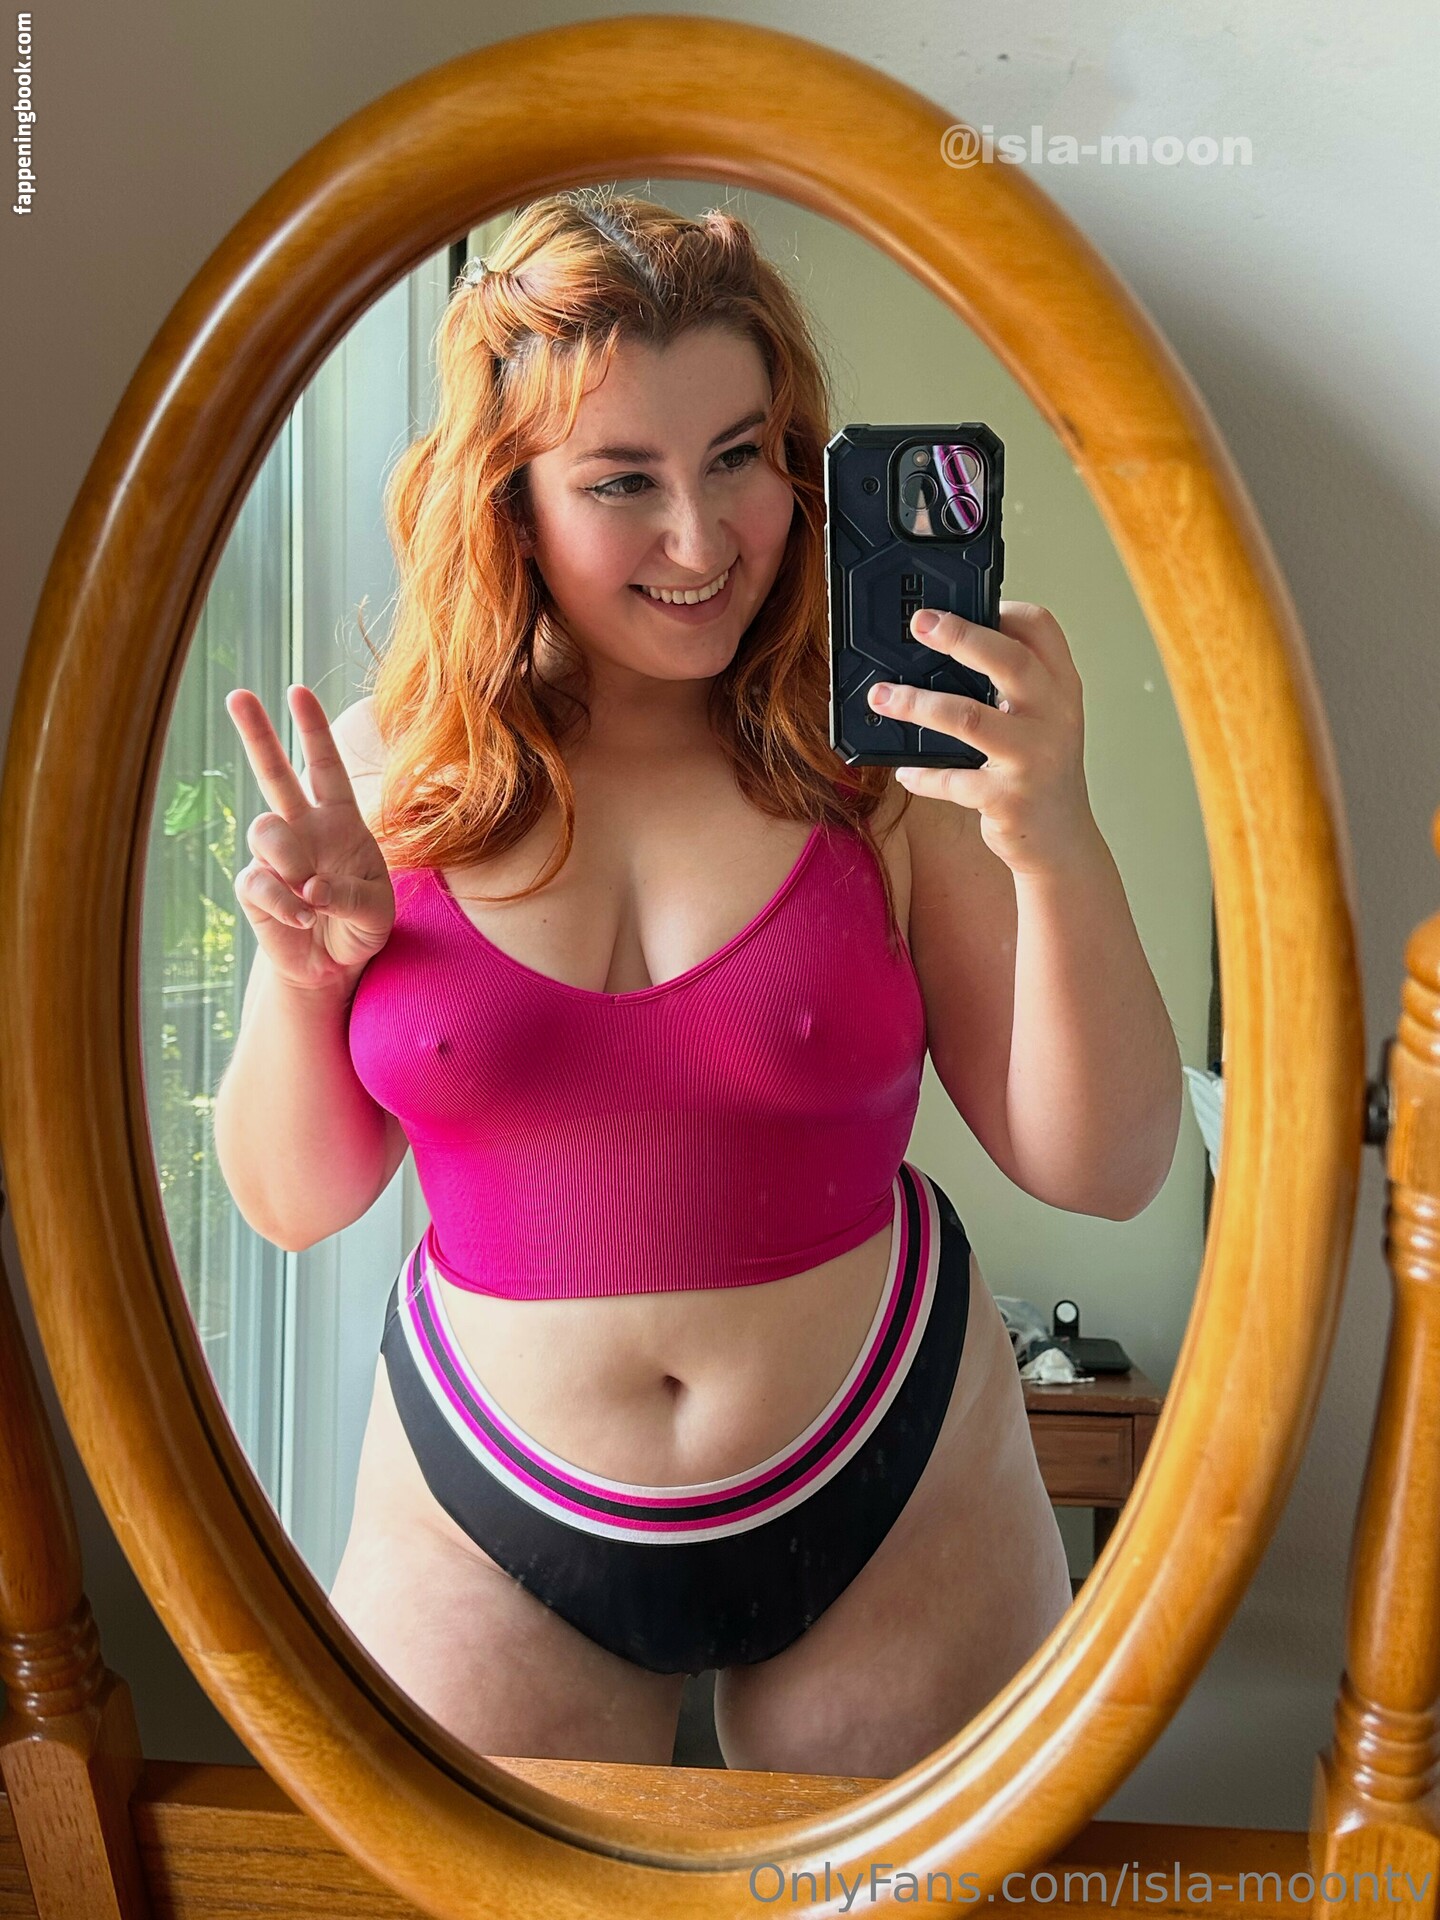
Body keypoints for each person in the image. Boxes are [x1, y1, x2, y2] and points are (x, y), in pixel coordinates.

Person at [214, 189, 1182, 1777]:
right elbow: (293, 1203)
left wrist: (1054, 836)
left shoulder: (890, 763)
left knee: (908, 1904)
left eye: (739, 458)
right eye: (623, 481)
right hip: (487, 1506)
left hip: (897, 1475)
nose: (702, 539)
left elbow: (1108, 1164)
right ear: (510, 501)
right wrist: (299, 972)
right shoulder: (384, 782)